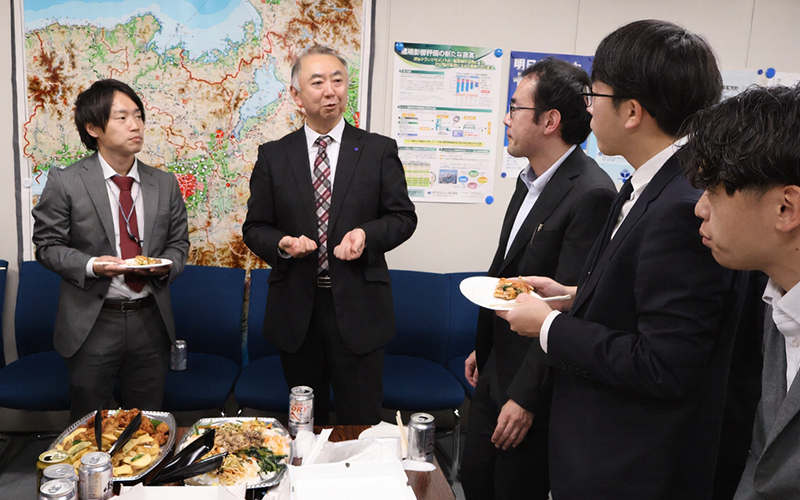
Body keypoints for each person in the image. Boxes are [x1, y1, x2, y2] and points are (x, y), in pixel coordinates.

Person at [498, 20, 746, 499]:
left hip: (628, 465)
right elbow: (643, 303)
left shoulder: (683, 206)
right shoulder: (649, 181)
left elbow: (663, 362)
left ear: (632, 111)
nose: (587, 108)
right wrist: (571, 298)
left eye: (596, 95)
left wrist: (547, 328)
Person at [460, 58, 615, 500]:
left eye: (515, 107)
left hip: (531, 385)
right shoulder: (527, 180)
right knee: (475, 479)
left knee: (511, 488)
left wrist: (527, 397)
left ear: (549, 120)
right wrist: (486, 344)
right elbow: (508, 275)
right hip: (497, 365)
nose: (506, 119)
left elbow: (567, 308)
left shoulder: (591, 193)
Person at [242, 45, 417, 425]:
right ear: (296, 95)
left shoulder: (377, 150)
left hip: (359, 307)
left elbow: (403, 217)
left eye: (337, 80)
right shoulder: (274, 155)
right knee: (305, 423)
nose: (330, 90)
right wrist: (282, 245)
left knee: (360, 421)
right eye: (317, 82)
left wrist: (366, 236)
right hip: (297, 310)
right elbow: (255, 228)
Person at [32, 79, 190, 422]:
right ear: (93, 127)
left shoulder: (164, 183)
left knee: (148, 423)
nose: (135, 125)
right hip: (92, 320)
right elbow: (46, 247)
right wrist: (90, 265)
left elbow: (179, 244)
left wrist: (166, 266)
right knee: (92, 425)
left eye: (138, 116)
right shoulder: (66, 182)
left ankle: (143, 479)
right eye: (121, 117)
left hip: (150, 317)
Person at [684, 84, 800, 500]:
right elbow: (765, 459)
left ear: (785, 208)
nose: (700, 208)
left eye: (714, 191)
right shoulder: (780, 300)